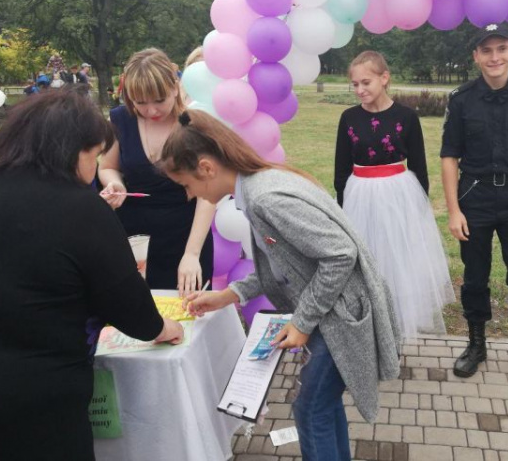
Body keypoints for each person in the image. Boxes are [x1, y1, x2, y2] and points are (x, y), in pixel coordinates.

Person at [162, 110, 401, 461]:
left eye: (186, 185)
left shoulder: (265, 197)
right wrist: (229, 295)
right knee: (318, 404)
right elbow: (285, 265)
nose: (188, 195)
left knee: (311, 408)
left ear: (206, 167)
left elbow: (339, 255)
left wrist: (302, 322)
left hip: (343, 317)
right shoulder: (256, 187)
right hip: (332, 314)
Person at [0, 91, 184, 461]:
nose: (94, 169)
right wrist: (163, 327)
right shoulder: (81, 208)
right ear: (71, 150)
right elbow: (129, 305)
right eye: (94, 156)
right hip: (43, 398)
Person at [440, 24, 508, 387]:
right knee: (474, 277)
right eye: (486, 51)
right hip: (475, 198)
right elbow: (449, 157)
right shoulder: (461, 99)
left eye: (501, 49)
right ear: (476, 56)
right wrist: (454, 210)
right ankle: (476, 344)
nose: (494, 57)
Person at [334, 51, 455, 340]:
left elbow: (419, 166)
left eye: (366, 82)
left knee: (398, 261)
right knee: (366, 261)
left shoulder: (406, 117)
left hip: (398, 195)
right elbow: (340, 168)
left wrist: (419, 209)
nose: (360, 90)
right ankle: (369, 329)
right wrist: (341, 211)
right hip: (360, 195)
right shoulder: (348, 118)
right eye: (355, 84)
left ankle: (395, 330)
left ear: (384, 78)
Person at [98, 48, 215, 295]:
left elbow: (208, 193)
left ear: (175, 87)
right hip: (133, 241)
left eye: (159, 100)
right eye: (140, 103)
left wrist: (192, 254)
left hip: (185, 237)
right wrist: (115, 184)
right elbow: (107, 167)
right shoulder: (120, 120)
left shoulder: (195, 123)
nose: (151, 111)